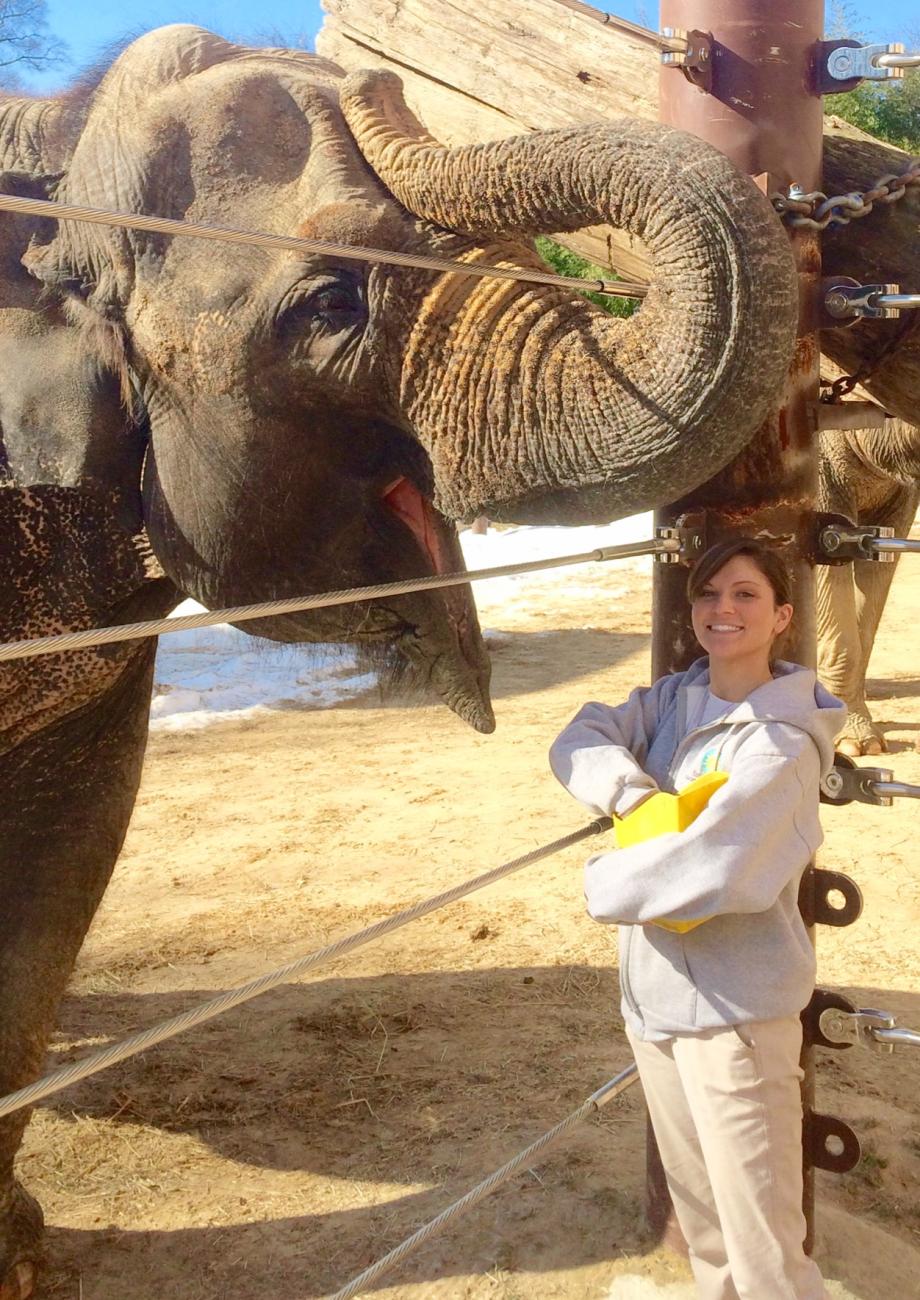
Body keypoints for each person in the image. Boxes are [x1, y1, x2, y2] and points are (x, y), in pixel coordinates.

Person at [549, 537, 846, 1300]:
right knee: (707, 1233)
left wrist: (600, 884)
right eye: (709, 594)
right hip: (656, 1005)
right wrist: (629, 792)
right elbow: (579, 736)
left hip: (735, 1018)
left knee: (766, 1250)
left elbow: (721, 865)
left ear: (782, 616)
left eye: (745, 595)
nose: (723, 610)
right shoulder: (676, 700)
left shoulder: (781, 743)